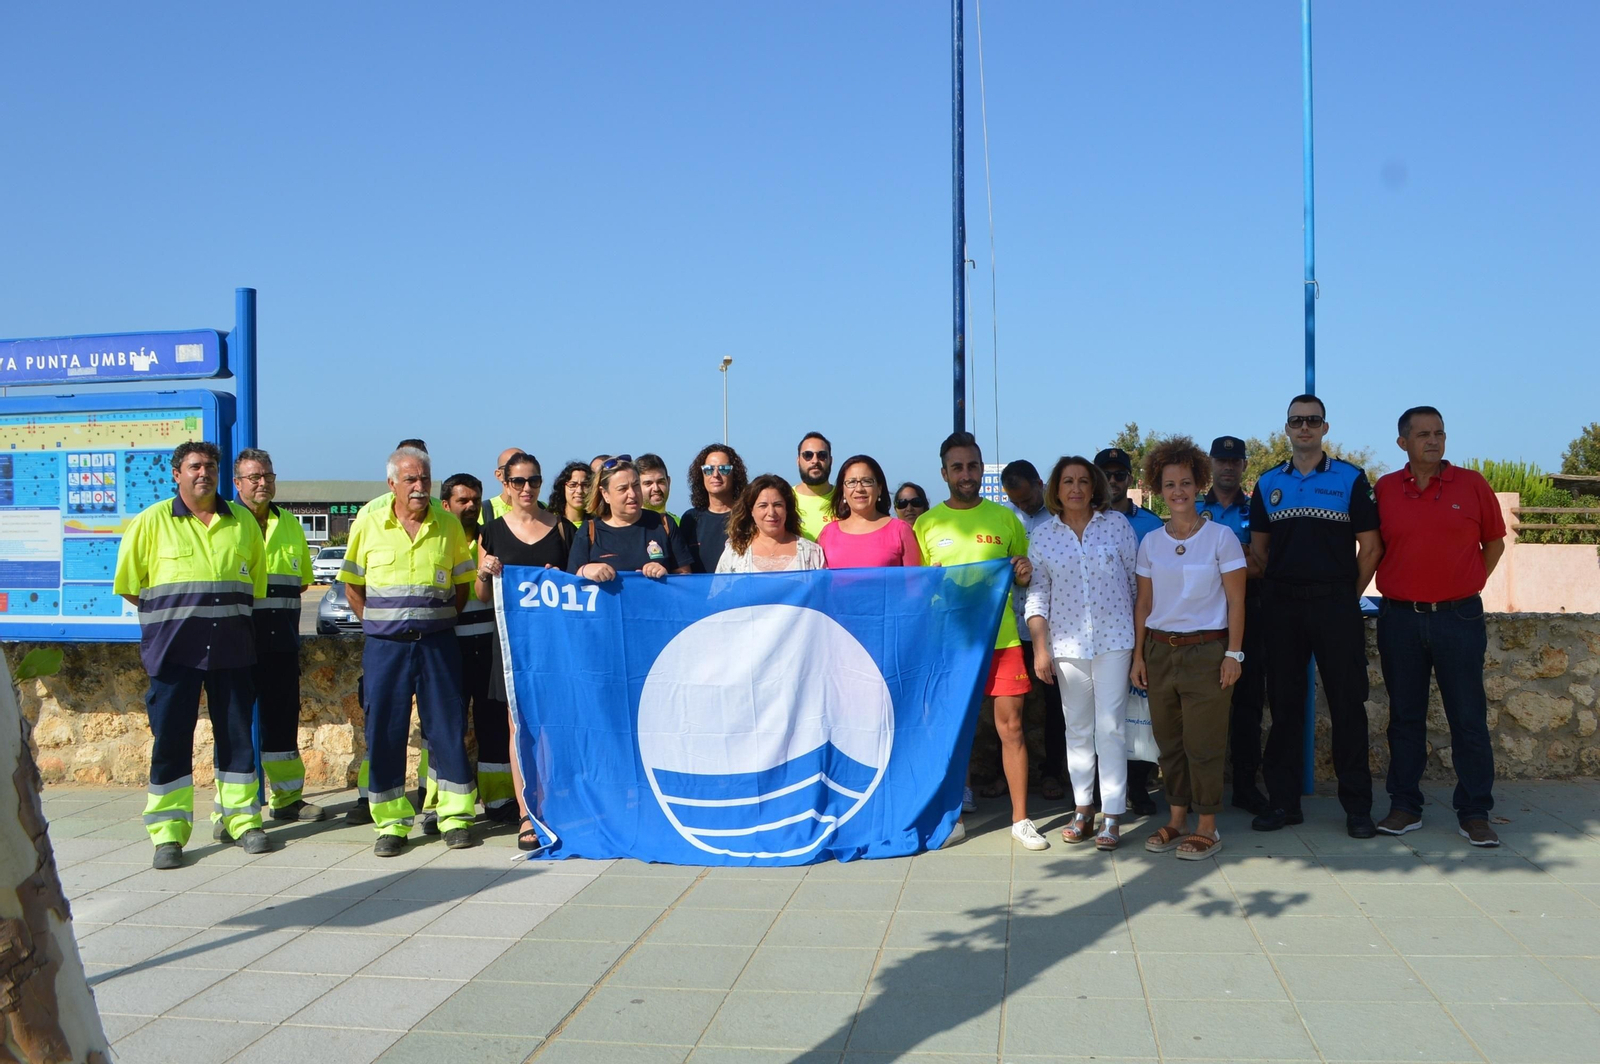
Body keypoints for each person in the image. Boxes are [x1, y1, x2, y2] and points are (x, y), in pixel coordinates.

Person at [112, 441, 269, 869]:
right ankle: (168, 835)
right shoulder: (150, 523)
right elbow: (130, 586)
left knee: (237, 739)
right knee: (172, 742)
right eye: (195, 466)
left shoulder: (243, 524)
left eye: (211, 466)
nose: (205, 473)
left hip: (233, 650)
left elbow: (252, 587)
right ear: (176, 474)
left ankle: (241, 821)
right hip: (173, 654)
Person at [1250, 395, 1384, 838]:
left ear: (1325, 428)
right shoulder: (1268, 483)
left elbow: (1372, 546)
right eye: (1296, 421)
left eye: (1312, 421)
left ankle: (1358, 809)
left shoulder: (1349, 478)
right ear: (1286, 428)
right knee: (1284, 706)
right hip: (1283, 607)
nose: (1304, 428)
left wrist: (1347, 596)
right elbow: (1260, 552)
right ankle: (1283, 804)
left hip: (1335, 607)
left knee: (1348, 706)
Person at [1374, 407, 1506, 847]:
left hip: (1459, 618)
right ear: (1403, 443)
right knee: (1404, 717)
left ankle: (1474, 812)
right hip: (1399, 619)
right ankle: (1405, 806)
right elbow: (1374, 548)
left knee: (1468, 718)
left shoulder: (1472, 485)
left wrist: (1466, 584)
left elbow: (1494, 543)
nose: (1433, 440)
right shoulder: (1386, 489)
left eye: (1439, 433)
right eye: (1423, 434)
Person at [341, 446, 479, 856]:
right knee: (384, 732)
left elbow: (461, 587)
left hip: (437, 646)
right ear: (391, 484)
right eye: (410, 480)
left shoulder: (448, 525)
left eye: (424, 479)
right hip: (385, 649)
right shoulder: (368, 523)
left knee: (448, 729)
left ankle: (455, 817)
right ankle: (392, 823)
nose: (419, 487)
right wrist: (379, 625)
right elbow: (352, 585)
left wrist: (434, 621)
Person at [917, 432, 1043, 850]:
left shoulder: (1005, 518)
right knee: (955, 730)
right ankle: (952, 813)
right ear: (944, 473)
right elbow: (918, 592)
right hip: (951, 644)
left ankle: (1021, 820)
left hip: (1003, 640)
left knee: (1012, 728)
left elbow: (1024, 575)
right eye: (957, 467)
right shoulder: (927, 524)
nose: (966, 474)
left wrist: (1023, 571)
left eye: (972, 466)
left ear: (980, 468)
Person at [1131, 439, 1247, 860]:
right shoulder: (1151, 543)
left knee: (1205, 742)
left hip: (1207, 653)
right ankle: (1176, 819)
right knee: (1170, 743)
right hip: (1161, 653)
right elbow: (1143, 604)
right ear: (1157, 489)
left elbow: (1237, 600)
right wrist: (1139, 656)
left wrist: (1234, 654)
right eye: (1169, 484)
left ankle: (1208, 827)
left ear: (1199, 484)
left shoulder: (1222, 537)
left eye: (1185, 482)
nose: (1178, 491)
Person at [1023, 456, 1138, 850]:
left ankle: (1113, 816)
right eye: (1068, 481)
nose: (1075, 488)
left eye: (1083, 481)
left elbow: (1136, 587)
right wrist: (1040, 648)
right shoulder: (1043, 537)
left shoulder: (1117, 527)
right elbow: (1037, 595)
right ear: (1056, 489)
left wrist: (1140, 647)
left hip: (1115, 640)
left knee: (1111, 727)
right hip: (1067, 646)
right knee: (1077, 730)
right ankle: (1083, 809)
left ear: (1095, 488)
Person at [475, 452, 571, 851]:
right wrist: (485, 571)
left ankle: (557, 806)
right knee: (519, 730)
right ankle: (525, 814)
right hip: (512, 646)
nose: (527, 489)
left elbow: (579, 587)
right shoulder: (492, 531)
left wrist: (561, 579)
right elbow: (481, 595)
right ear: (505, 484)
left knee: (553, 728)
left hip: (555, 646)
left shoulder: (563, 529)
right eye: (519, 482)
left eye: (534, 481)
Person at [232, 447, 323, 824]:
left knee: (282, 721)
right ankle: (235, 810)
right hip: (237, 643)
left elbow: (302, 583)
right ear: (237, 483)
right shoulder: (227, 522)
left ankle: (287, 800)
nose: (262, 483)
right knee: (235, 724)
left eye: (268, 476)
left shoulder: (289, 524)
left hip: (281, 641)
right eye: (254, 477)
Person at [425, 471, 519, 827]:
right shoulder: (437, 541)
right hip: (449, 648)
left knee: (493, 725)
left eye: (474, 501)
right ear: (445, 504)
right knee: (446, 727)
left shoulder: (490, 537)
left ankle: (498, 800)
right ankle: (439, 805)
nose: (470, 507)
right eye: (462, 501)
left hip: (489, 647)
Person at [1196, 435, 1271, 814]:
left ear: (1243, 466)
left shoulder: (1256, 509)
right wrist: (1236, 554)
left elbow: (1262, 566)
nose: (1227, 467)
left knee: (1247, 704)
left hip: (1250, 615)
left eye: (1235, 461)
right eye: (1221, 460)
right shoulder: (1192, 508)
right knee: (1199, 707)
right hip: (1203, 616)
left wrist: (1218, 554)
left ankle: (1244, 786)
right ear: (1210, 464)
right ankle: (1197, 789)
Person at [1095, 446, 1164, 816]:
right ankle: (1096, 792)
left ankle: (1138, 788)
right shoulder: (1082, 521)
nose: (1112, 481)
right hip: (1096, 636)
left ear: (1129, 480)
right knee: (1099, 717)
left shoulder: (1152, 524)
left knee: (1138, 712)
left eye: (1119, 475)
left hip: (1142, 629)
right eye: (1104, 474)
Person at [1002, 459, 1067, 803]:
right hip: (1011, 628)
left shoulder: (1059, 518)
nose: (1023, 506)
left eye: (1027, 499)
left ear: (1040, 483)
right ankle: (1006, 773)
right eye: (1016, 501)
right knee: (1012, 708)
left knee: (1055, 706)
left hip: (1050, 628)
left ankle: (1052, 772)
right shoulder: (1005, 518)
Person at [568, 458, 691, 580]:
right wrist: (584, 571)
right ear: (605, 494)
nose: (632, 494)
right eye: (623, 489)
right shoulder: (589, 531)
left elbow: (686, 580)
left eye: (636, 485)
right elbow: (568, 584)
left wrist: (665, 575)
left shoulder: (664, 524)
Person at [818, 455, 921, 568]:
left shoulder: (900, 530)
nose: (859, 489)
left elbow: (913, 582)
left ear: (879, 488)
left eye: (867, 481)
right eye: (851, 482)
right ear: (843, 490)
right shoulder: (828, 533)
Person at [716, 474, 827, 572]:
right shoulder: (735, 552)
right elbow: (719, 593)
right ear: (751, 511)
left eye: (777, 505)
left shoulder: (811, 552)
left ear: (787, 509)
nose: (771, 512)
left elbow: (822, 593)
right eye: (763, 506)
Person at [680, 443, 748, 573]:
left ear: (735, 474)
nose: (715, 474)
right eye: (709, 469)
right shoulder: (690, 519)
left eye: (723, 469)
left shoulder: (746, 517)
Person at [793, 432, 837, 541]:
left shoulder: (844, 499)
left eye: (822, 455)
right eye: (808, 455)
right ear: (798, 461)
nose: (815, 460)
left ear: (830, 461)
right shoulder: (784, 499)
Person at [548, 461, 591, 534]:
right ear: (563, 488)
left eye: (585, 485)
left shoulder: (598, 525)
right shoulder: (549, 522)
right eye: (573, 485)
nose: (579, 491)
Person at [636, 453, 678, 522]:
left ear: (669, 482)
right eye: (648, 483)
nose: (656, 488)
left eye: (660, 482)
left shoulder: (679, 524)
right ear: (636, 487)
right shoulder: (629, 525)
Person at [488, 446, 527, 519]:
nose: (520, 471)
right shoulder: (485, 511)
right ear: (499, 475)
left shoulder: (543, 509)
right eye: (511, 467)